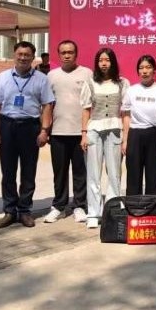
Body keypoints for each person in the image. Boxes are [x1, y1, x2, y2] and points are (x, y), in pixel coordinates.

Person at [0, 41, 55, 229]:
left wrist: (44, 130)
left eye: (27, 55)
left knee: (28, 171)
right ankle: (10, 210)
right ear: (14, 55)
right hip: (7, 125)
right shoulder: (2, 77)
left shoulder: (41, 79)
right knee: (8, 171)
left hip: (30, 127)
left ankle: (25, 210)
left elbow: (47, 105)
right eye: (20, 54)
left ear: (33, 57)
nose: (23, 58)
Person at [80, 48, 130, 229]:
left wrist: (126, 138)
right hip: (94, 129)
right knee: (93, 172)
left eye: (107, 60)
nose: (104, 63)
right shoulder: (90, 82)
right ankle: (94, 212)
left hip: (115, 130)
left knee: (114, 172)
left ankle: (113, 209)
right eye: (101, 60)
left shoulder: (122, 83)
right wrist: (84, 134)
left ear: (113, 62)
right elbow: (86, 109)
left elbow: (126, 113)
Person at [44, 40, 93, 224]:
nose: (67, 55)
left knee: (80, 171)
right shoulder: (51, 76)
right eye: (63, 52)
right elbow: (47, 105)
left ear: (76, 54)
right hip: (58, 131)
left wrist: (87, 130)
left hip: (80, 132)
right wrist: (46, 129)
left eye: (70, 52)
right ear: (58, 54)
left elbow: (92, 103)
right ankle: (59, 206)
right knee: (60, 172)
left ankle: (79, 205)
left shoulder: (87, 73)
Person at [121, 55, 156, 195]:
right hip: (135, 134)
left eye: (148, 67)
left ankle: (152, 206)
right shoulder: (131, 90)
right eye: (141, 68)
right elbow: (126, 116)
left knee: (153, 175)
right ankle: (133, 206)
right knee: (133, 175)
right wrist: (125, 140)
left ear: (154, 70)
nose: (144, 71)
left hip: (155, 134)